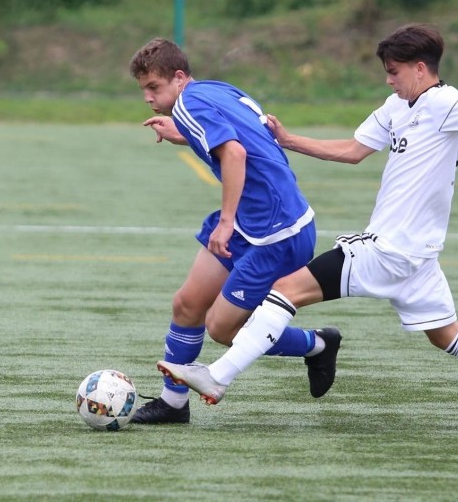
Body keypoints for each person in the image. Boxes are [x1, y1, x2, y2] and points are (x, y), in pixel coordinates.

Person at [156, 24, 458, 431]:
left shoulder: (445, 103)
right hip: (418, 257)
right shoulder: (396, 106)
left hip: (390, 248)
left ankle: (219, 376)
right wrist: (291, 140)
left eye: (394, 71)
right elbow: (352, 150)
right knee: (448, 335)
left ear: (419, 68)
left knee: (286, 290)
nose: (388, 79)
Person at [127, 37, 341, 424]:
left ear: (178, 78)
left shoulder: (190, 103)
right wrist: (186, 133)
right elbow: (242, 134)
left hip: (276, 233)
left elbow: (236, 153)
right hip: (251, 221)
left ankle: (318, 344)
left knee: (224, 329)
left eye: (153, 87)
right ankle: (173, 403)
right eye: (143, 89)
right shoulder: (212, 89)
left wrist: (225, 223)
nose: (147, 97)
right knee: (187, 303)